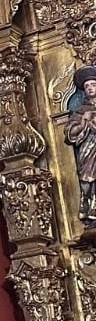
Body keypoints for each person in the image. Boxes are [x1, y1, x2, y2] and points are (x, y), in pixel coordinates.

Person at [65, 67, 96, 224]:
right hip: (88, 149)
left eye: (93, 85)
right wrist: (84, 121)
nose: (90, 88)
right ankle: (88, 206)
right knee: (86, 180)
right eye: (87, 86)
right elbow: (70, 132)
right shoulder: (81, 110)